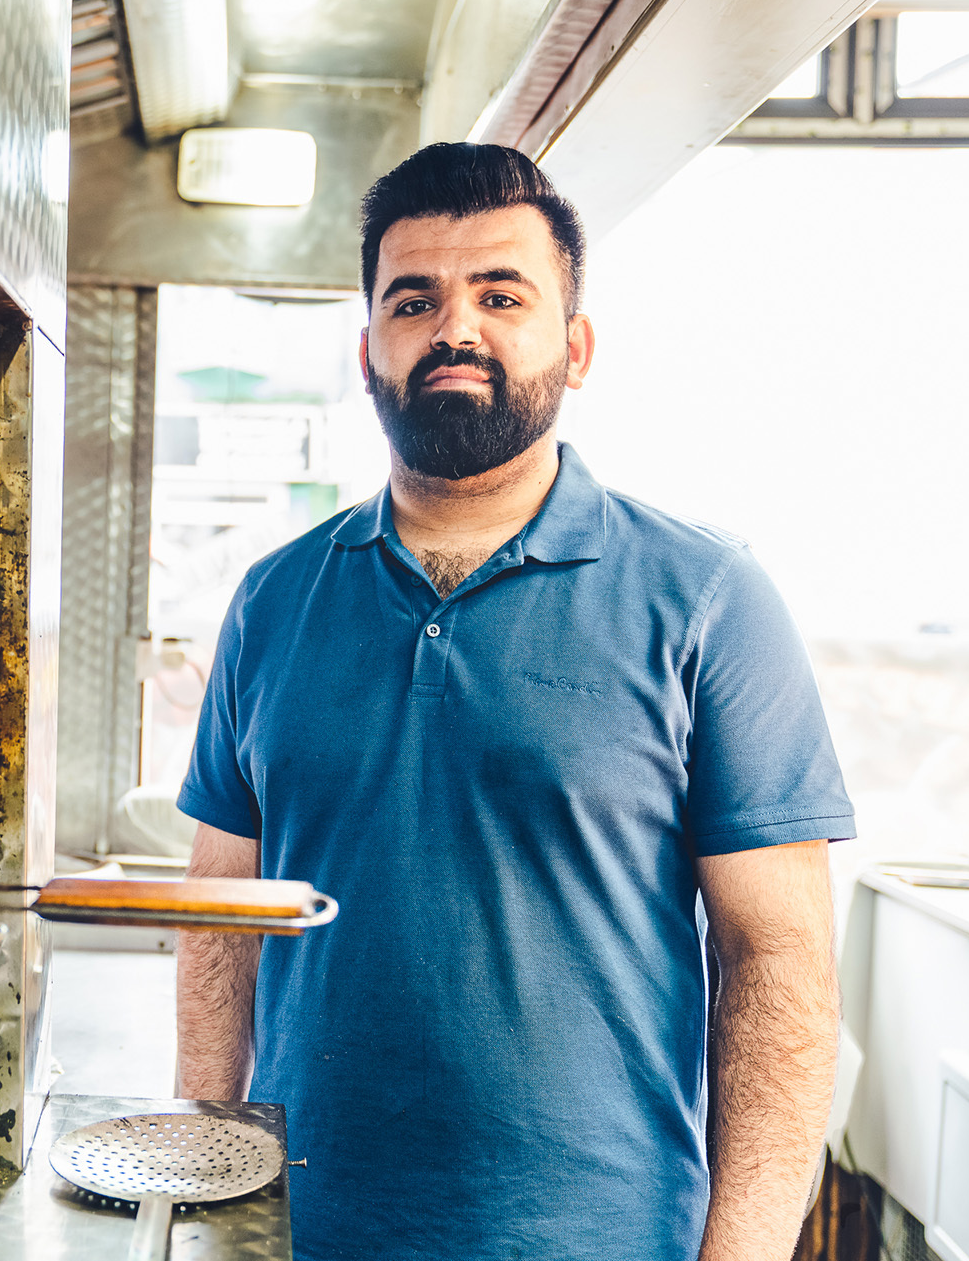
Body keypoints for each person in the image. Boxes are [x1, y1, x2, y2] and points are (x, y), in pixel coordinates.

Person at [174, 143, 852, 1261]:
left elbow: (777, 965)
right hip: (300, 1231)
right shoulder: (274, 600)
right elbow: (219, 926)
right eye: (414, 299)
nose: (456, 329)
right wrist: (202, 1189)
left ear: (575, 347)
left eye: (501, 294)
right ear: (367, 353)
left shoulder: (708, 600)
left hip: (602, 1236)